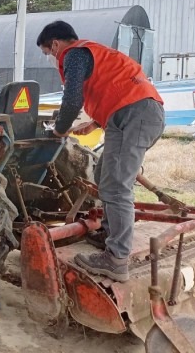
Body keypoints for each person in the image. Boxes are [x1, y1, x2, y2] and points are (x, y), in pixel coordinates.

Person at [36, 20, 165, 283]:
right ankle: (109, 234)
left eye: (48, 53)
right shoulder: (95, 52)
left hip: (135, 117)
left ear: (56, 44)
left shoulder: (74, 54)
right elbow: (118, 87)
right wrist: (95, 121)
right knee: (103, 171)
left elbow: (72, 100)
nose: (51, 58)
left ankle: (116, 260)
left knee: (117, 186)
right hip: (132, 114)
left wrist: (60, 130)